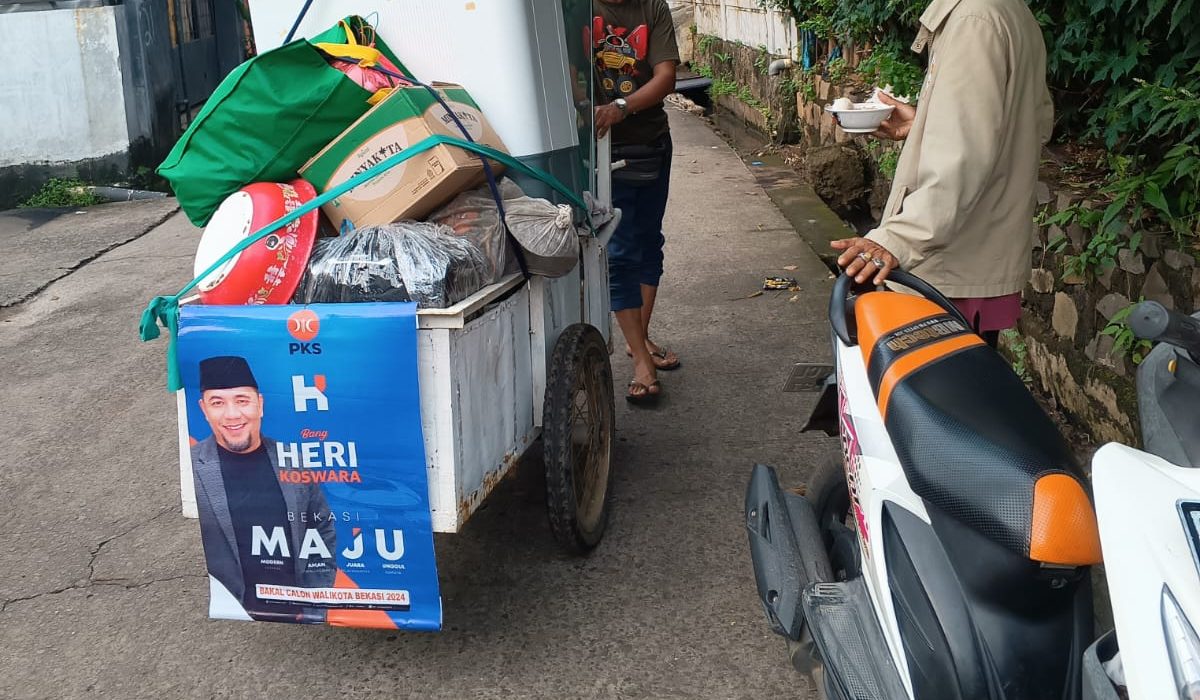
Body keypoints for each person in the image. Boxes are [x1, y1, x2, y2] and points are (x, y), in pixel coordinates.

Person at [831, 0, 1055, 347]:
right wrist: (926, 122)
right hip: (979, 255)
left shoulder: (973, 20)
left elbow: (961, 159)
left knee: (942, 396)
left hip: (952, 265)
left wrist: (895, 240)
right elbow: (1023, 123)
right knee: (971, 390)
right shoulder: (1010, 10)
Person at [191, 355, 336, 622]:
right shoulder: (193, 466)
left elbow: (321, 529)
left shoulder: (293, 460)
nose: (232, 414)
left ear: (260, 404)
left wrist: (316, 604)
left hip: (298, 610)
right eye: (218, 403)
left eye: (242, 400)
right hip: (235, 612)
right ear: (204, 410)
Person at [593, 0, 680, 404]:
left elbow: (665, 76)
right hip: (601, 151)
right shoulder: (577, 8)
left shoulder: (652, 7)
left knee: (649, 241)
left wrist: (621, 107)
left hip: (651, 142)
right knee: (621, 252)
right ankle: (642, 360)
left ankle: (638, 341)